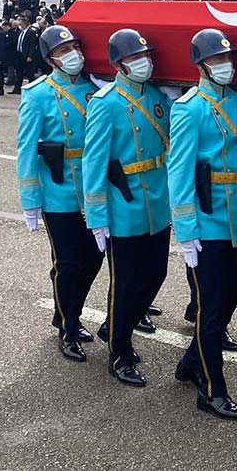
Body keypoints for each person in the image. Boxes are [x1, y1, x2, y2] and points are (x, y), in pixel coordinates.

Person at [167, 29, 237, 421]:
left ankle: (190, 364)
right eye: (218, 60)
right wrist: (186, 231)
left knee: (228, 301)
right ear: (202, 65)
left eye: (229, 59)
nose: (227, 66)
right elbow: (179, 173)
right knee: (210, 309)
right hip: (207, 223)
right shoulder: (189, 109)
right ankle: (211, 387)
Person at [82, 29, 175, 388]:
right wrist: (97, 217)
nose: (145, 62)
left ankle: (114, 326)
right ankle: (119, 352)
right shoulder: (106, 104)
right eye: (137, 58)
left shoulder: (156, 97)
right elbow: (94, 163)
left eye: (147, 56)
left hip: (157, 201)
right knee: (125, 283)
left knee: (157, 274)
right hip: (124, 204)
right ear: (120, 64)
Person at [17, 25, 102, 363]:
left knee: (94, 258)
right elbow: (27, 150)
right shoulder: (38, 94)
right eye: (65, 51)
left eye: (76, 48)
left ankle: (68, 310)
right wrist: (30, 201)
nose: (74, 56)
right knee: (68, 261)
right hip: (59, 189)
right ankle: (68, 327)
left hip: (94, 188)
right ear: (51, 58)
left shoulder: (94, 89)